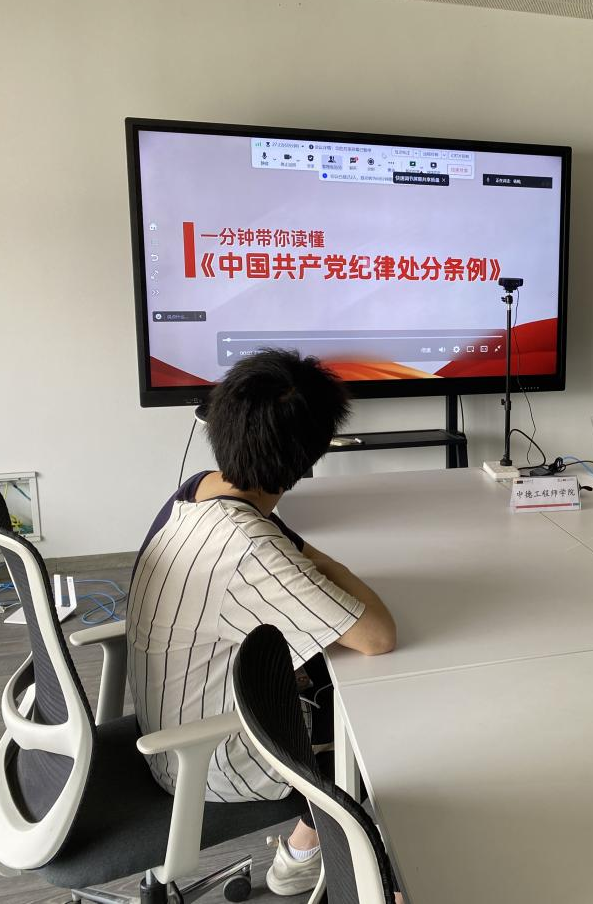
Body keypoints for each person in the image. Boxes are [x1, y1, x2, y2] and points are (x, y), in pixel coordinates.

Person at [126, 349, 397, 898]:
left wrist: (297, 553)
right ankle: (305, 856)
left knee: (328, 668)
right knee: (383, 718)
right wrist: (324, 563)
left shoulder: (199, 488)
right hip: (209, 761)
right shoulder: (249, 545)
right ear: (310, 454)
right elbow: (377, 634)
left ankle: (310, 845)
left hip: (177, 717)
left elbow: (288, 555)